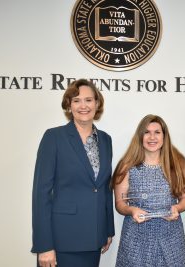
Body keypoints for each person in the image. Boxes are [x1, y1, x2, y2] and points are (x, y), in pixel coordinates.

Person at [31, 79, 114, 267]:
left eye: (88, 100)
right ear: (69, 105)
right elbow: (40, 195)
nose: (83, 106)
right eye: (76, 100)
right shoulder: (54, 137)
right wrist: (44, 246)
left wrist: (107, 230)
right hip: (62, 241)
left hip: (94, 239)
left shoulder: (105, 140)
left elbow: (105, 189)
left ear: (97, 103)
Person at [112, 114, 185, 267]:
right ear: (140, 136)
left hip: (171, 237)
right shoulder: (126, 166)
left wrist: (177, 208)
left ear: (164, 136)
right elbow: (119, 203)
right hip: (136, 239)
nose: (152, 137)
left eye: (157, 132)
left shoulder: (178, 163)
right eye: (147, 132)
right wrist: (131, 211)